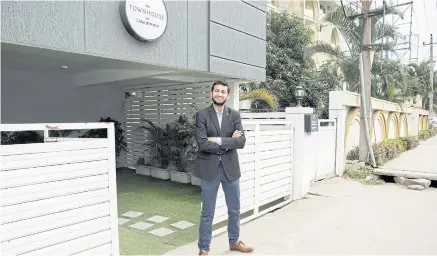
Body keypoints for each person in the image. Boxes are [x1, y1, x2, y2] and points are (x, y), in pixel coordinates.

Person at [194, 81, 254, 255]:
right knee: (207, 212)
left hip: (230, 169)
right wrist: (229, 141)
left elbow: (241, 142)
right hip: (209, 169)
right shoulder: (202, 115)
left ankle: (234, 241)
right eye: (217, 91)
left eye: (223, 92)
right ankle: (203, 249)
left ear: (228, 95)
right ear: (211, 94)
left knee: (234, 209)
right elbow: (202, 143)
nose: (220, 94)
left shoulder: (234, 115)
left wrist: (217, 140)